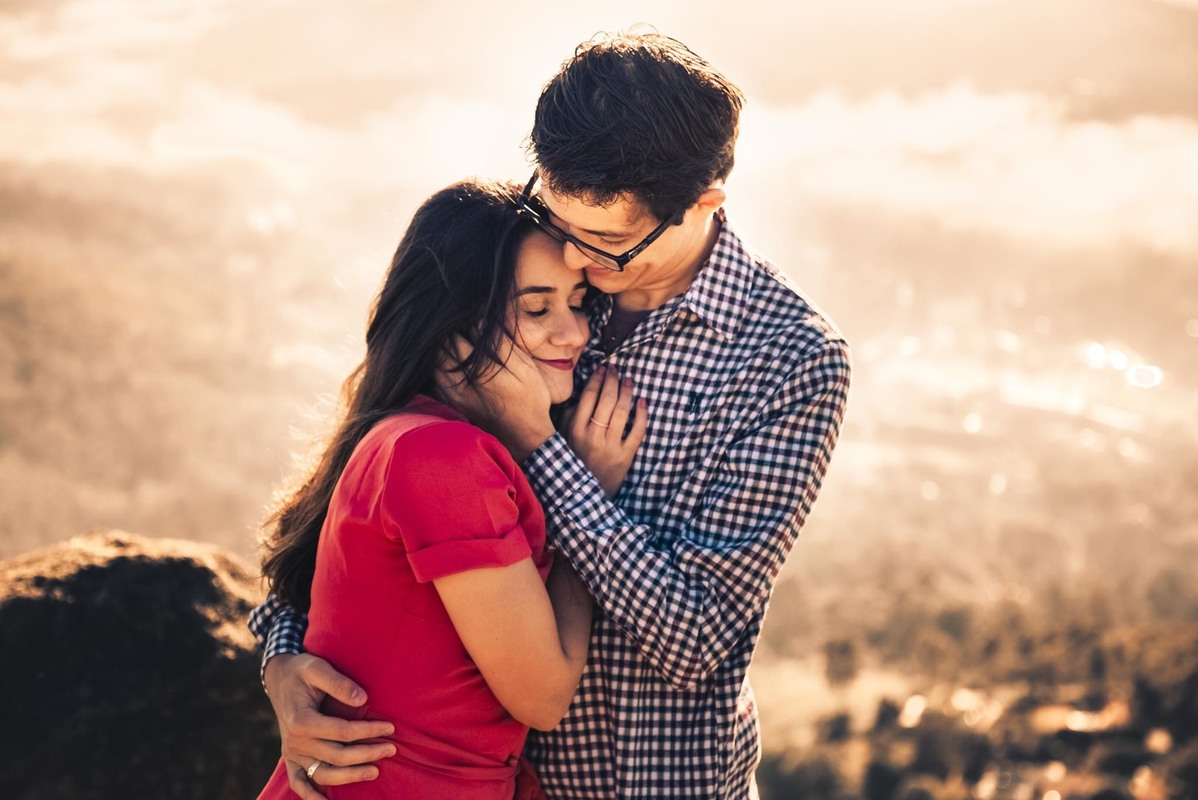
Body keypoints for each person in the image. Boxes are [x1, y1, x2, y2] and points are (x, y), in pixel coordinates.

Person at [252, 31, 852, 800]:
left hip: (656, 786)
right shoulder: (519, 262)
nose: (574, 262)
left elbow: (696, 636)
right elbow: (356, 499)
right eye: (559, 222)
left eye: (603, 243)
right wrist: (281, 660)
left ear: (704, 203)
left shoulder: (788, 359)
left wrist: (547, 453)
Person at [254, 177, 647, 799]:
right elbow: (544, 696)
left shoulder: (415, 437)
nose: (574, 334)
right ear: (452, 328)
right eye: (536, 309)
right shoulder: (440, 456)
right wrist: (588, 489)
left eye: (577, 303)